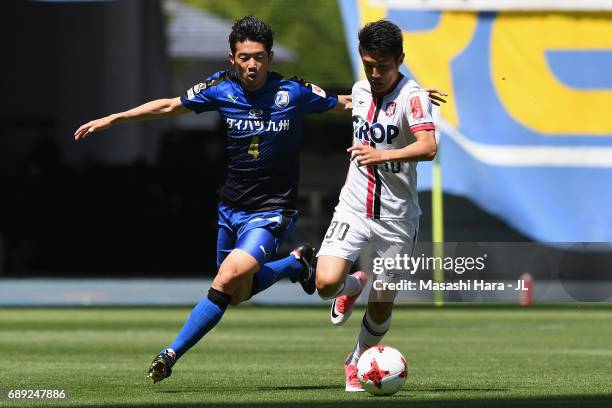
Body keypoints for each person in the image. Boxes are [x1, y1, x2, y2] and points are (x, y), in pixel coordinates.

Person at [74, 16, 352, 383]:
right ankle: (295, 264)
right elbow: (169, 106)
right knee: (237, 292)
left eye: (259, 57)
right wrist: (116, 117)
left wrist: (399, 96)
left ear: (269, 57)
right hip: (230, 207)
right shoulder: (221, 89)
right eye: (244, 57)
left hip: (271, 211)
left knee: (225, 280)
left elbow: (346, 103)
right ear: (232, 58)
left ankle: (169, 354)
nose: (252, 64)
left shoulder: (294, 93)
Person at [314, 19, 439, 392]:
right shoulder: (361, 89)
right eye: (368, 64)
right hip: (353, 207)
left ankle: (356, 361)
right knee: (324, 284)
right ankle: (353, 285)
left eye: (382, 66)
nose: (375, 72)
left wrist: (382, 154)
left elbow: (428, 148)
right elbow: (353, 104)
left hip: (398, 219)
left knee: (382, 304)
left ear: (399, 59)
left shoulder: (411, 96)